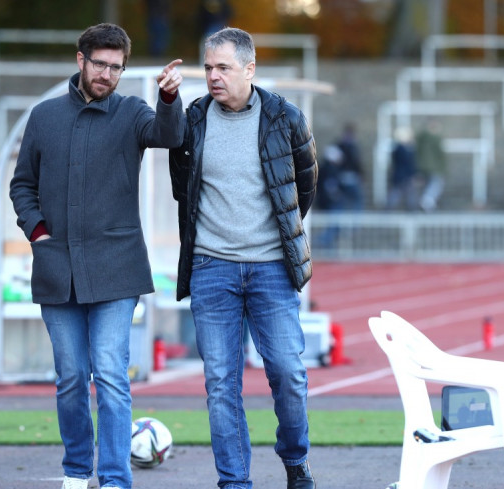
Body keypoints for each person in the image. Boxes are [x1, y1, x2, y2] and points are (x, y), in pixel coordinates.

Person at [9, 23, 184, 489]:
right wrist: (38, 232)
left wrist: (169, 97)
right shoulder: (44, 116)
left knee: (109, 373)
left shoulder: (133, 112)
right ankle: (75, 472)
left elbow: (169, 135)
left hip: (117, 267)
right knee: (70, 376)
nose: (107, 74)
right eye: (100, 64)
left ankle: (113, 479)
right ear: (81, 60)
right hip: (57, 267)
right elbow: (22, 185)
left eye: (116, 67)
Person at [169, 27, 317, 489]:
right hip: (211, 267)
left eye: (224, 68)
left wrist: (273, 236)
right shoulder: (194, 120)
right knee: (220, 384)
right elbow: (182, 189)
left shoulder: (285, 118)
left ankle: (295, 461)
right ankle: (234, 482)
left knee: (289, 373)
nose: (213, 76)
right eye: (208, 68)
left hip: (272, 267)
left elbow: (304, 186)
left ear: (249, 69)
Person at [416, 118, 447, 212]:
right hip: (434, 167)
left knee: (429, 184)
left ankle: (427, 202)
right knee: (437, 183)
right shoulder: (436, 139)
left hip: (422, 167)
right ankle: (427, 201)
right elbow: (440, 155)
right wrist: (443, 168)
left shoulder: (421, 138)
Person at [386, 126, 418, 211]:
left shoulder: (401, 148)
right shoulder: (400, 149)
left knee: (407, 194)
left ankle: (411, 210)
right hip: (403, 175)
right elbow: (407, 163)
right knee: (399, 193)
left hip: (403, 175)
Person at [335, 122, 364, 211]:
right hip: (342, 176)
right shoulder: (339, 146)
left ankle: (356, 219)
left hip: (353, 176)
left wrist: (360, 175)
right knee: (341, 200)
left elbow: (357, 163)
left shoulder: (354, 147)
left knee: (356, 200)